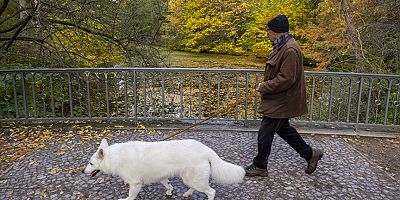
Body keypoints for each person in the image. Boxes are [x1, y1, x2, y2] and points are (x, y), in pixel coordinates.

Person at [245, 14, 323, 177]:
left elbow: (286, 79)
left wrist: (263, 87)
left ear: (276, 32)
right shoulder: (283, 45)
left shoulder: (289, 49)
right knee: (284, 130)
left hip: (283, 100)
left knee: (265, 131)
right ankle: (310, 154)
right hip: (281, 98)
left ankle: (260, 165)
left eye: (269, 30)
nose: (267, 33)